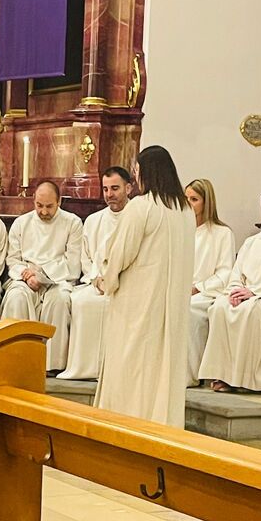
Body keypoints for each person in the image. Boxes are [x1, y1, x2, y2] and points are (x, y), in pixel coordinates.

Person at [94, 145, 195, 427]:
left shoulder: (142, 206)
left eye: (137, 170)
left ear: (147, 172)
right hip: (172, 304)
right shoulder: (185, 210)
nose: (136, 176)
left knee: (132, 363)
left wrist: (106, 280)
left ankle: (127, 423)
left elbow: (121, 254)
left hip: (138, 302)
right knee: (163, 366)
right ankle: (162, 423)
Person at [199, 186, 261, 393]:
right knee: (219, 307)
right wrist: (236, 290)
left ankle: (248, 380)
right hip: (245, 293)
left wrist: (255, 293)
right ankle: (223, 375)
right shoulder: (252, 241)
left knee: (251, 312)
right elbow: (236, 272)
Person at [57, 167, 132, 380]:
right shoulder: (93, 220)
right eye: (105, 189)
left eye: (115, 188)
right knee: (81, 302)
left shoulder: (136, 218)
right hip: (97, 283)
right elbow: (86, 258)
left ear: (128, 188)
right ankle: (84, 369)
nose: (109, 194)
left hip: (126, 285)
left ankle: (117, 371)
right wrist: (96, 279)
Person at [1, 181, 82, 375]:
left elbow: (72, 263)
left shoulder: (72, 223)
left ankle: (51, 365)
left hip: (58, 279)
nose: (44, 211)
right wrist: (26, 274)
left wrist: (42, 274)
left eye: (49, 206)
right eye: (39, 205)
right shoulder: (22, 223)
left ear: (59, 201)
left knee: (60, 300)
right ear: (33, 200)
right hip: (25, 279)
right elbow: (13, 259)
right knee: (16, 298)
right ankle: (16, 361)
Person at [184, 179, 235, 387]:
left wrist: (198, 288)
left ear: (207, 202)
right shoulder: (180, 230)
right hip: (180, 289)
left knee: (188, 311)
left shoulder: (222, 233)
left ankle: (188, 374)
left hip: (207, 293)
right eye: (186, 199)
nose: (188, 204)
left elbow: (225, 271)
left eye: (194, 199)